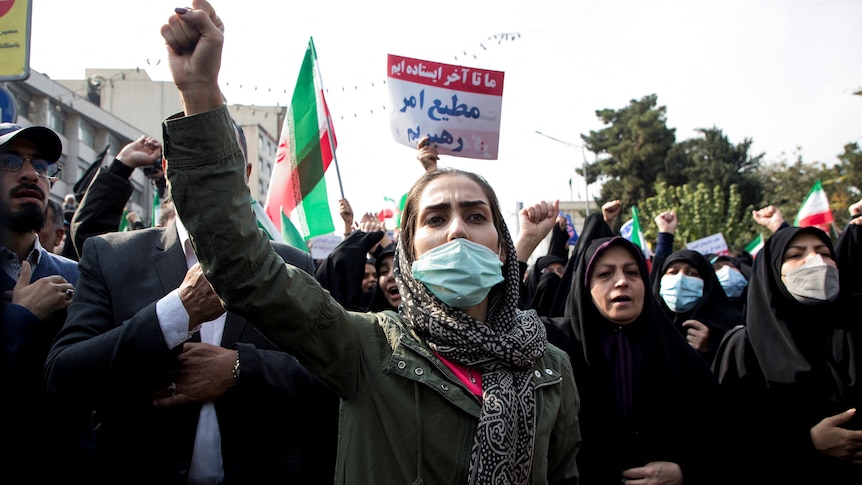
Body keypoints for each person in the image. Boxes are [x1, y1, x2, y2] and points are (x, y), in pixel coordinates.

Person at [159, 3, 581, 483]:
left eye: (476, 215)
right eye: (436, 218)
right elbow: (244, 265)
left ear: (502, 247)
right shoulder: (368, 346)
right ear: (410, 253)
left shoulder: (552, 368)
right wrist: (199, 94)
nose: (458, 230)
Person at [46, 126, 339, 483]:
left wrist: (240, 368)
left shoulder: (292, 266)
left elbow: (331, 376)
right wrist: (175, 313)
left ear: (245, 174)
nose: (208, 175)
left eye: (222, 164)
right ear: (169, 170)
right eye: (194, 161)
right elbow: (63, 377)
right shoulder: (111, 257)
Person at [543, 207, 729, 485]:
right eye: (605, 274)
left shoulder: (673, 349)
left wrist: (684, 471)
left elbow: (721, 435)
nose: (621, 282)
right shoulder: (555, 343)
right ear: (585, 286)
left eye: (632, 272)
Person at [712, 205, 862, 484]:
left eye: (825, 252)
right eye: (796, 255)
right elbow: (726, 444)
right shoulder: (744, 348)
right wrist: (807, 444)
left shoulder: (852, 332)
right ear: (771, 273)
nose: (816, 261)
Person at [0, 122, 87, 482]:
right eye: (10, 162)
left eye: (41, 166)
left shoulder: (79, 277)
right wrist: (21, 318)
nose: (30, 175)